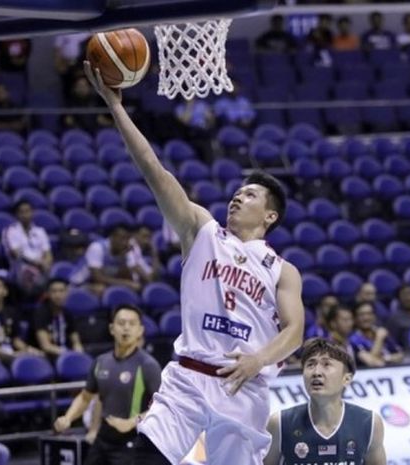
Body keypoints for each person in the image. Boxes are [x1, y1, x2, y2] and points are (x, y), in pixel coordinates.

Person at [83, 60, 304, 465]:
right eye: (237, 192)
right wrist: (116, 108)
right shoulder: (202, 230)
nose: (238, 197)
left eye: (251, 195)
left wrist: (259, 358)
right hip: (187, 376)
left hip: (244, 385)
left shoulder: (283, 270)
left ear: (270, 216)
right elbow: (155, 171)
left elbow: (295, 331)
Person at [54, 305, 162, 465]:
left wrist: (131, 422)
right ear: (112, 328)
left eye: (132, 323)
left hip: (132, 439)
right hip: (103, 438)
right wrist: (68, 418)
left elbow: (161, 407)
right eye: (121, 323)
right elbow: (85, 398)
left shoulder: (147, 365)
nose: (126, 328)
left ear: (140, 330)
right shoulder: (101, 362)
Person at [263, 338, 386, 465]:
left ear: (347, 379)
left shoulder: (369, 423)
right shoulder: (279, 423)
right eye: (311, 364)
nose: (316, 372)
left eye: (326, 364)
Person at [70, 223, 153, 297]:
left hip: (102, 284)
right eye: (122, 238)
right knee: (101, 289)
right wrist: (127, 284)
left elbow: (126, 275)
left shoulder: (125, 251)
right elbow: (97, 277)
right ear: (112, 237)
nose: (124, 242)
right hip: (78, 284)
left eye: (127, 239)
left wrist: (123, 259)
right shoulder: (97, 247)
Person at [0, 276, 42, 364]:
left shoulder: (12, 312)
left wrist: (27, 349)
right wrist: (4, 353)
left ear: (5, 291)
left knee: (35, 357)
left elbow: (15, 340)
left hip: (11, 352)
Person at [2, 200, 52, 297]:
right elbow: (16, 253)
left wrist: (46, 263)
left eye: (28, 211)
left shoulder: (40, 231)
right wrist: (39, 263)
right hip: (21, 268)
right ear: (17, 214)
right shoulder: (10, 231)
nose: (25, 215)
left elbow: (48, 253)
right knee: (31, 275)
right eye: (22, 212)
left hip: (42, 268)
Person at [31, 278, 84, 357]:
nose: (58, 295)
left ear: (67, 293)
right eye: (54, 291)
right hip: (48, 356)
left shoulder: (67, 313)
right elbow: (46, 346)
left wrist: (78, 351)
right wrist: (68, 353)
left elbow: (76, 341)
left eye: (61, 291)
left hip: (66, 352)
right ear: (48, 294)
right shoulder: (40, 313)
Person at [350, 302, 403, 367]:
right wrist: (379, 339)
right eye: (361, 314)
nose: (366, 318)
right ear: (355, 318)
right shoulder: (353, 339)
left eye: (369, 314)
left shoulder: (381, 331)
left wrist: (385, 358)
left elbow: (400, 355)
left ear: (374, 316)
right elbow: (371, 362)